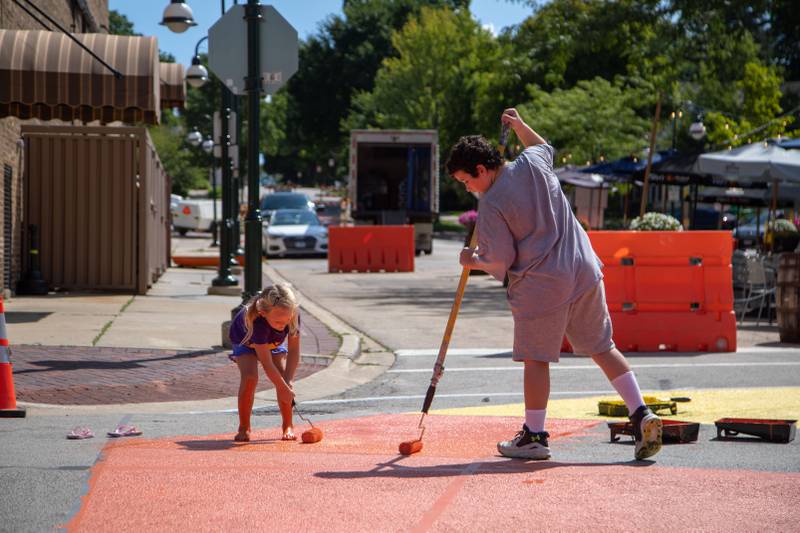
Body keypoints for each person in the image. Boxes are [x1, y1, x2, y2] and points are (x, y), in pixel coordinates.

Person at [445, 108, 662, 461]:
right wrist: (519, 127)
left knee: (536, 357)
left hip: (543, 284)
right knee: (602, 347)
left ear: (481, 170)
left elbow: (499, 259)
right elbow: (544, 146)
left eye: (466, 181)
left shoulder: (492, 204)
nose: (467, 188)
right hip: (583, 269)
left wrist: (472, 260)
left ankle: (534, 435)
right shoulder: (531, 163)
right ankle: (640, 412)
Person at [228, 284, 300, 442]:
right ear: (263, 313)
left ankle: (288, 425)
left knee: (283, 377)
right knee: (250, 377)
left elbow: (294, 351)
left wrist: (288, 382)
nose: (283, 325)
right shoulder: (258, 322)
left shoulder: (292, 315)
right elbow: (267, 363)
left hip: (272, 342)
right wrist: (282, 387)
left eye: (286, 321)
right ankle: (244, 427)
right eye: (278, 322)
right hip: (245, 341)